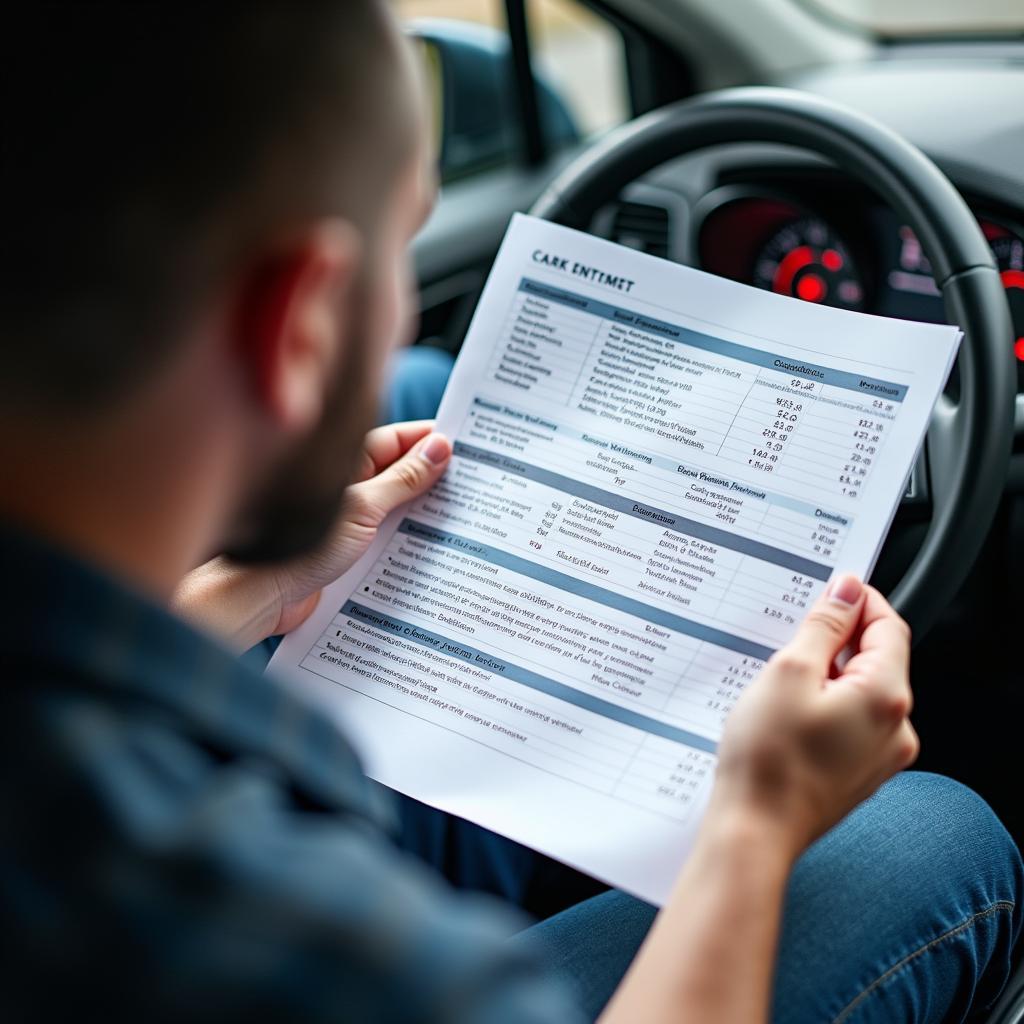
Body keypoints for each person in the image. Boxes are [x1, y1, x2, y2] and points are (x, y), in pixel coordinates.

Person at [0, 3, 1019, 1021]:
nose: (400, 303)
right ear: (300, 325)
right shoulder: (278, 938)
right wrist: (754, 823)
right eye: (397, 253)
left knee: (420, 387)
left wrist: (239, 595)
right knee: (934, 836)